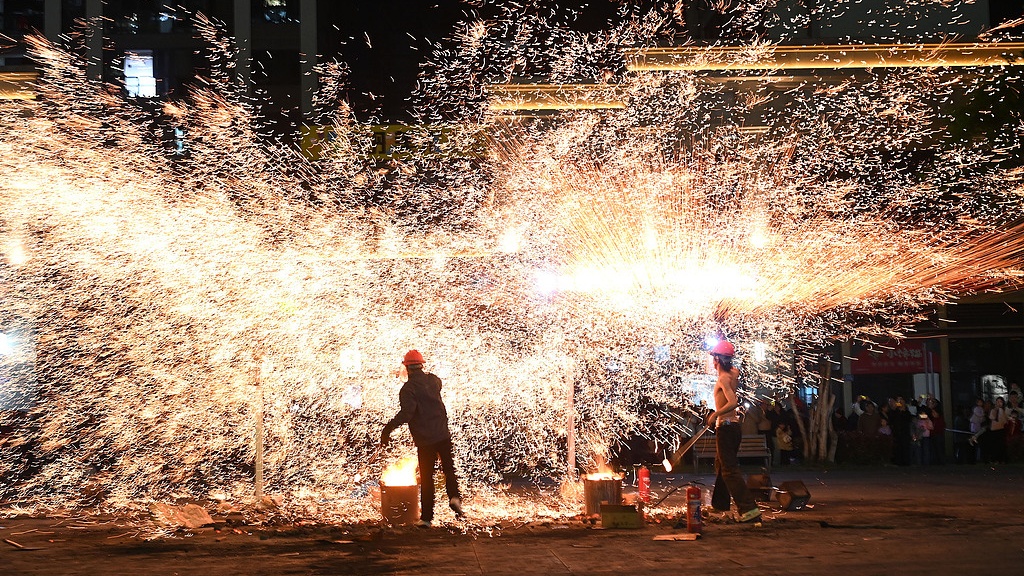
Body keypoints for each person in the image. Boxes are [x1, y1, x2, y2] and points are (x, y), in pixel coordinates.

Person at [380, 349, 463, 527]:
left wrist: (388, 429)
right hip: (443, 434)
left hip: (426, 440)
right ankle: (455, 499)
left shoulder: (408, 389)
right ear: (422, 365)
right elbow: (436, 387)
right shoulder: (433, 380)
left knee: (427, 478)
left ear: (407, 368)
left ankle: (427, 518)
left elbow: (407, 414)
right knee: (449, 470)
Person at [705, 340, 761, 523]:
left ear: (719, 360)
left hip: (727, 427)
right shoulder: (733, 373)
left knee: (729, 470)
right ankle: (720, 504)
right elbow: (735, 371)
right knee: (721, 465)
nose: (712, 362)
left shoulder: (723, 379)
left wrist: (715, 414)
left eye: (714, 358)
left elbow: (733, 402)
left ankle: (749, 509)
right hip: (733, 427)